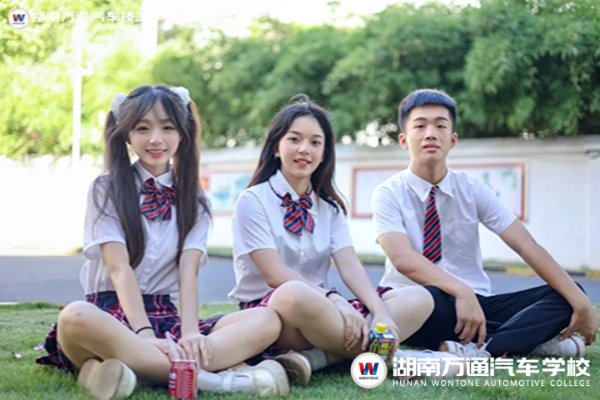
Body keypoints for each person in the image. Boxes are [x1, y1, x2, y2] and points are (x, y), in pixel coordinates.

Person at [36, 85, 289, 399]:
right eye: (143, 128)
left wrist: (190, 332)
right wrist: (143, 335)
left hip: (165, 315)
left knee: (265, 318)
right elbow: (118, 268)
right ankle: (214, 381)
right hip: (109, 314)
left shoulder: (195, 200)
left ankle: (116, 370)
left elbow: (188, 271)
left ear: (182, 133)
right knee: (75, 316)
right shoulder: (105, 189)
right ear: (126, 134)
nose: (156, 139)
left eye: (167, 127)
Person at [228, 95, 457, 386]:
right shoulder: (253, 200)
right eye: (294, 139)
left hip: (324, 315)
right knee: (293, 292)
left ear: (324, 153)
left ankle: (317, 358)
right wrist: (336, 300)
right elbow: (275, 274)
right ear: (276, 147)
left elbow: (350, 267)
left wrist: (380, 313)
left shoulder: (330, 208)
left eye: (315, 142)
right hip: (276, 314)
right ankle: (400, 359)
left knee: (419, 297)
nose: (304, 149)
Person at [372, 88, 598, 358]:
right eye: (420, 126)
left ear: (452, 140)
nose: (430, 133)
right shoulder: (388, 193)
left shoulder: (472, 189)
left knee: (566, 294)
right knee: (433, 303)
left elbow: (526, 246)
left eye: (440, 126)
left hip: (476, 305)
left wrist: (581, 302)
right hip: (420, 303)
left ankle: (483, 348)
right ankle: (525, 341)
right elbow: (403, 258)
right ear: (404, 140)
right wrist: (460, 290)